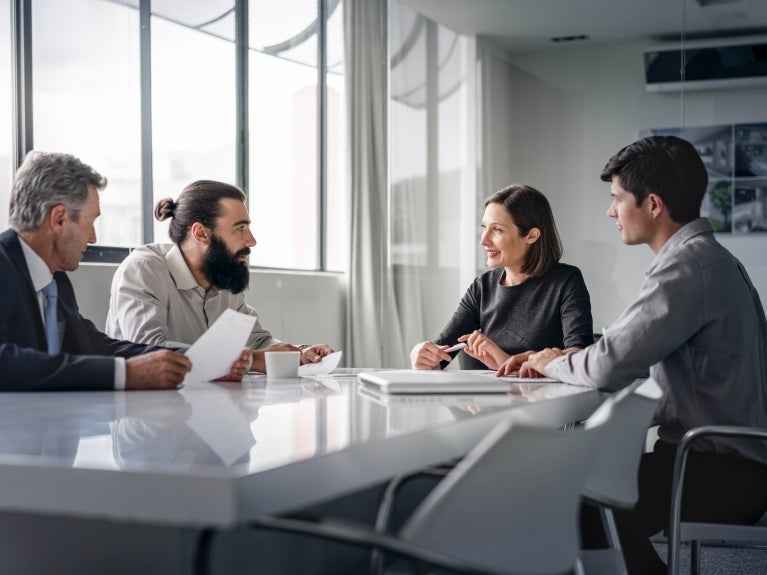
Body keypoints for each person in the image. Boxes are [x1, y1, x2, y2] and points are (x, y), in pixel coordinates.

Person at [500, 136, 767, 575]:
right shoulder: (712, 260)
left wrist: (552, 361)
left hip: (716, 472)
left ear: (654, 205)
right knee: (583, 496)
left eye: (617, 199)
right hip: (725, 463)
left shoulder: (689, 268)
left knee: (573, 506)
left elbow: (607, 363)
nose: (610, 212)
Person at [0, 151, 250, 391]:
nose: (93, 238)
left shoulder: (55, 280)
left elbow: (93, 346)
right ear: (60, 219)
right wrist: (124, 374)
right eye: (91, 222)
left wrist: (195, 361)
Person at [105, 180, 335, 373]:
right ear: (201, 233)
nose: (251, 241)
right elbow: (148, 351)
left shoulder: (221, 273)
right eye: (240, 228)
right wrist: (252, 360)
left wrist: (300, 353)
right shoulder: (143, 270)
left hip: (206, 408)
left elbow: (257, 341)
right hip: (147, 413)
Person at [410, 184, 593, 371]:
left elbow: (579, 357)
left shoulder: (566, 281)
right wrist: (424, 355)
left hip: (541, 398)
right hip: (483, 399)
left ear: (531, 235)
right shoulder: (482, 287)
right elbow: (440, 353)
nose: (484, 240)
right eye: (484, 227)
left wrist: (507, 362)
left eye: (497, 229)